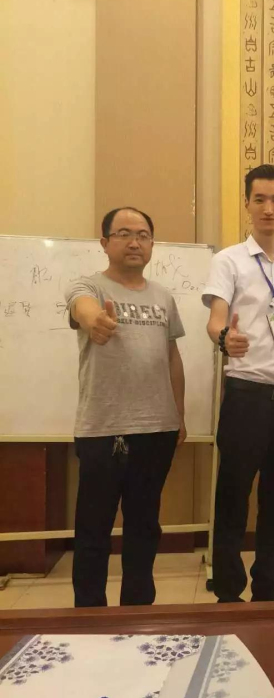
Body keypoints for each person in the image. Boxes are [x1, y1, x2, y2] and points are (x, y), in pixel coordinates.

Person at [203, 164, 274, 603]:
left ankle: (267, 588)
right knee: (233, 497)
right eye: (260, 200)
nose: (268, 208)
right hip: (246, 396)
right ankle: (229, 591)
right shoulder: (228, 261)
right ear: (248, 204)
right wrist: (225, 339)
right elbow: (216, 321)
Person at [65, 207, 186, 607]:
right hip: (103, 430)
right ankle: (89, 617)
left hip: (157, 430)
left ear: (152, 244)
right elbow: (82, 309)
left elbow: (172, 357)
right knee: (93, 530)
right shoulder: (89, 286)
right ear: (105, 243)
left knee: (144, 528)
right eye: (124, 234)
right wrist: (95, 321)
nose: (135, 242)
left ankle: (137, 614)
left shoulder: (163, 296)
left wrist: (179, 414)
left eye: (143, 235)